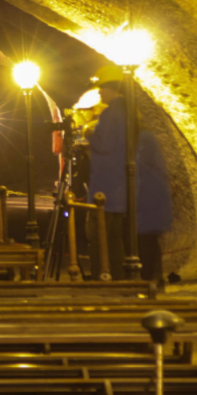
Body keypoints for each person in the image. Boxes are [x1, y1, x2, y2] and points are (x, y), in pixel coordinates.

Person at [85, 65, 128, 280]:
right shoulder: (128, 111)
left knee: (98, 235)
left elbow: (105, 145)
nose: (100, 92)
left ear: (112, 88)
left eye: (102, 88)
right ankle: (118, 275)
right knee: (114, 237)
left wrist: (88, 134)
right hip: (119, 186)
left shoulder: (111, 114)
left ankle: (99, 276)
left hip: (105, 187)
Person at [136, 129, 173, 285]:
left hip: (147, 211)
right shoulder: (156, 167)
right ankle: (154, 278)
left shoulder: (145, 142)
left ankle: (150, 280)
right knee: (151, 245)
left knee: (147, 245)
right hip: (150, 210)